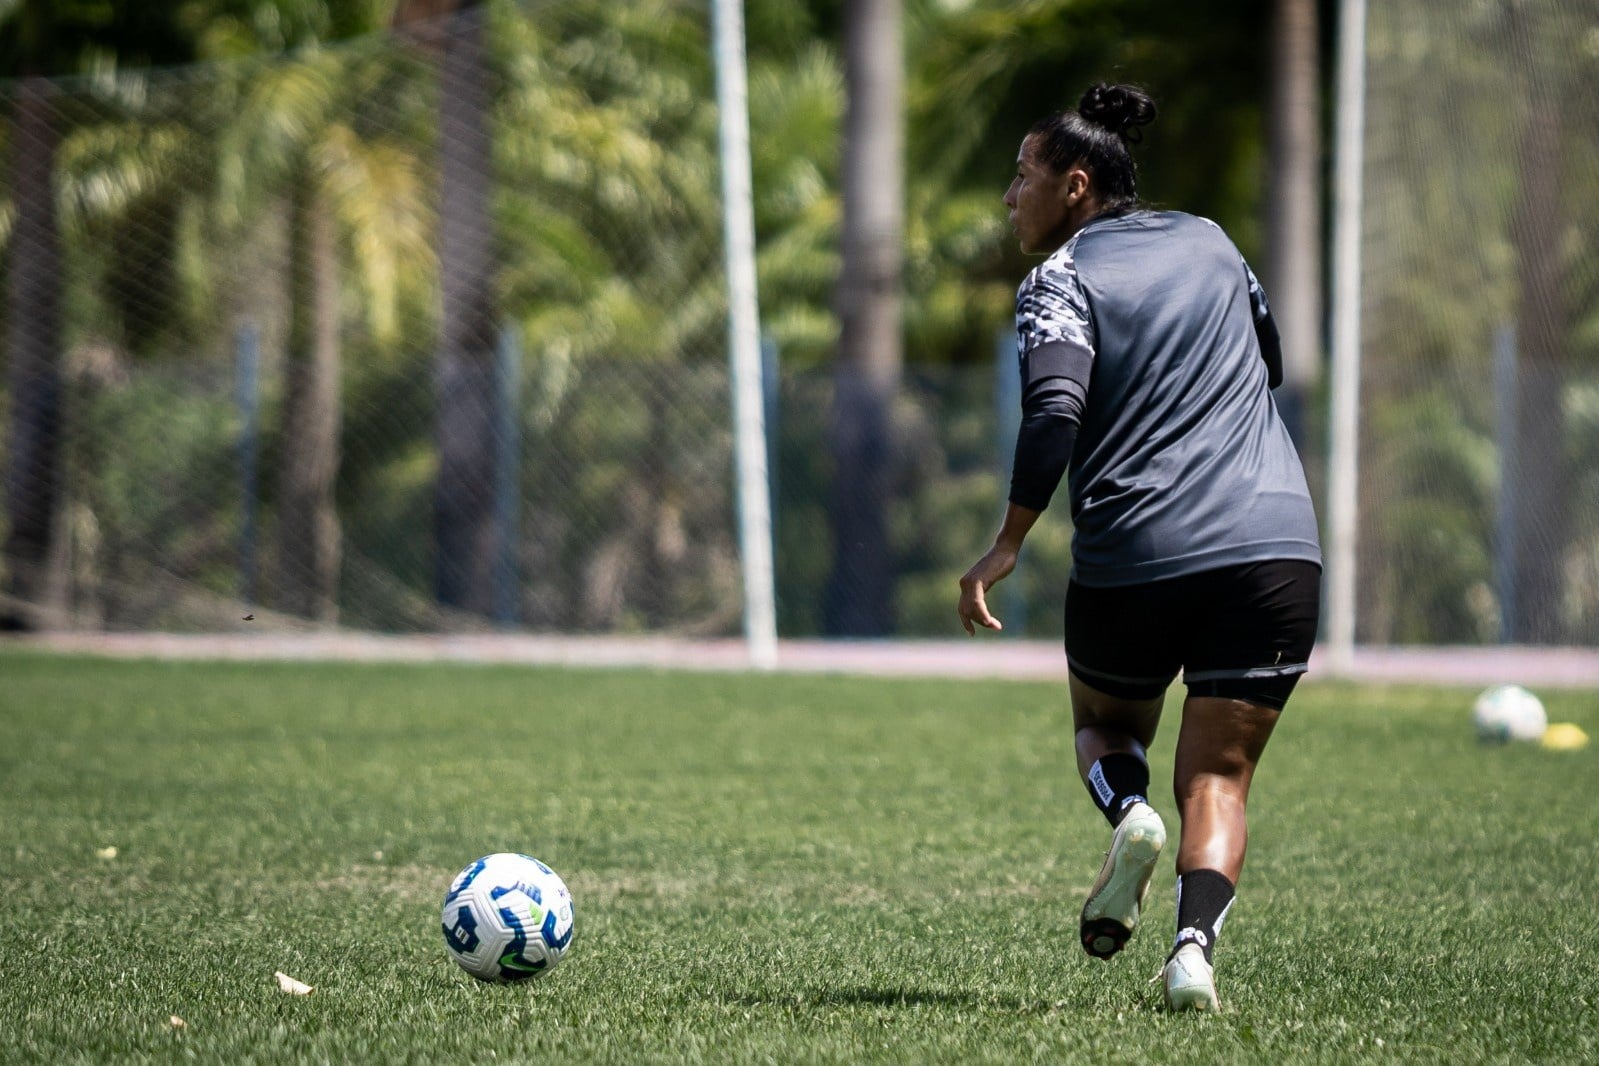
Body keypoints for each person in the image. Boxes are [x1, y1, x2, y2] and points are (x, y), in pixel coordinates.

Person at [957, 83, 1322, 1012]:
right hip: (1276, 545)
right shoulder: (1212, 241)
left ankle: (1129, 816)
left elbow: (1054, 410)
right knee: (1220, 776)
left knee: (1107, 727)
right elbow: (1266, 359)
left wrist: (1005, 543)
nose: (1010, 197)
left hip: (1140, 551)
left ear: (1075, 186)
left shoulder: (1059, 279)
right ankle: (1191, 953)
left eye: (1021, 176)